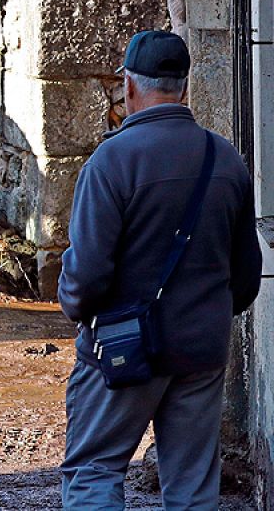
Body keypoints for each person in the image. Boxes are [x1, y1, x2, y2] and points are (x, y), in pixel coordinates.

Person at [60, 29, 261, 509]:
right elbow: (247, 276)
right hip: (201, 348)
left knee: (94, 472)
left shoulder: (110, 163)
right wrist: (204, 315)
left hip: (122, 349)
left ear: (128, 85)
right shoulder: (226, 159)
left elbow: (85, 277)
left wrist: (77, 310)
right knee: (193, 487)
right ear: (184, 86)